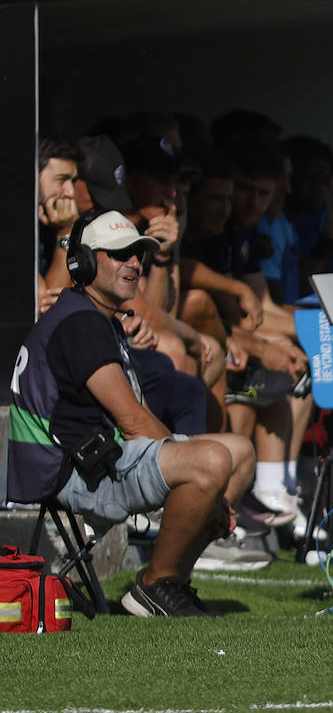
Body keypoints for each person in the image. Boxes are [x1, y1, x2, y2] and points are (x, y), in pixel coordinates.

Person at [7, 209, 257, 616]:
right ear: (85, 262)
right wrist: (203, 480)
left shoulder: (94, 317)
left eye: (138, 255)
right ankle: (154, 586)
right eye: (121, 254)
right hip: (73, 472)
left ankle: (170, 581)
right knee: (212, 461)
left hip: (96, 458)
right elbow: (133, 421)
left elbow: (134, 418)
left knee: (239, 452)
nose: (135, 264)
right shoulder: (81, 325)